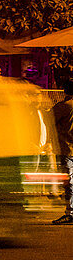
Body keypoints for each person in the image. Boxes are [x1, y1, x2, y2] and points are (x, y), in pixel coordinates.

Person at [51, 79, 73, 225]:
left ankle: (70, 213)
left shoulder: (64, 106)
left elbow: (49, 118)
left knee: (69, 184)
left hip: (68, 149)